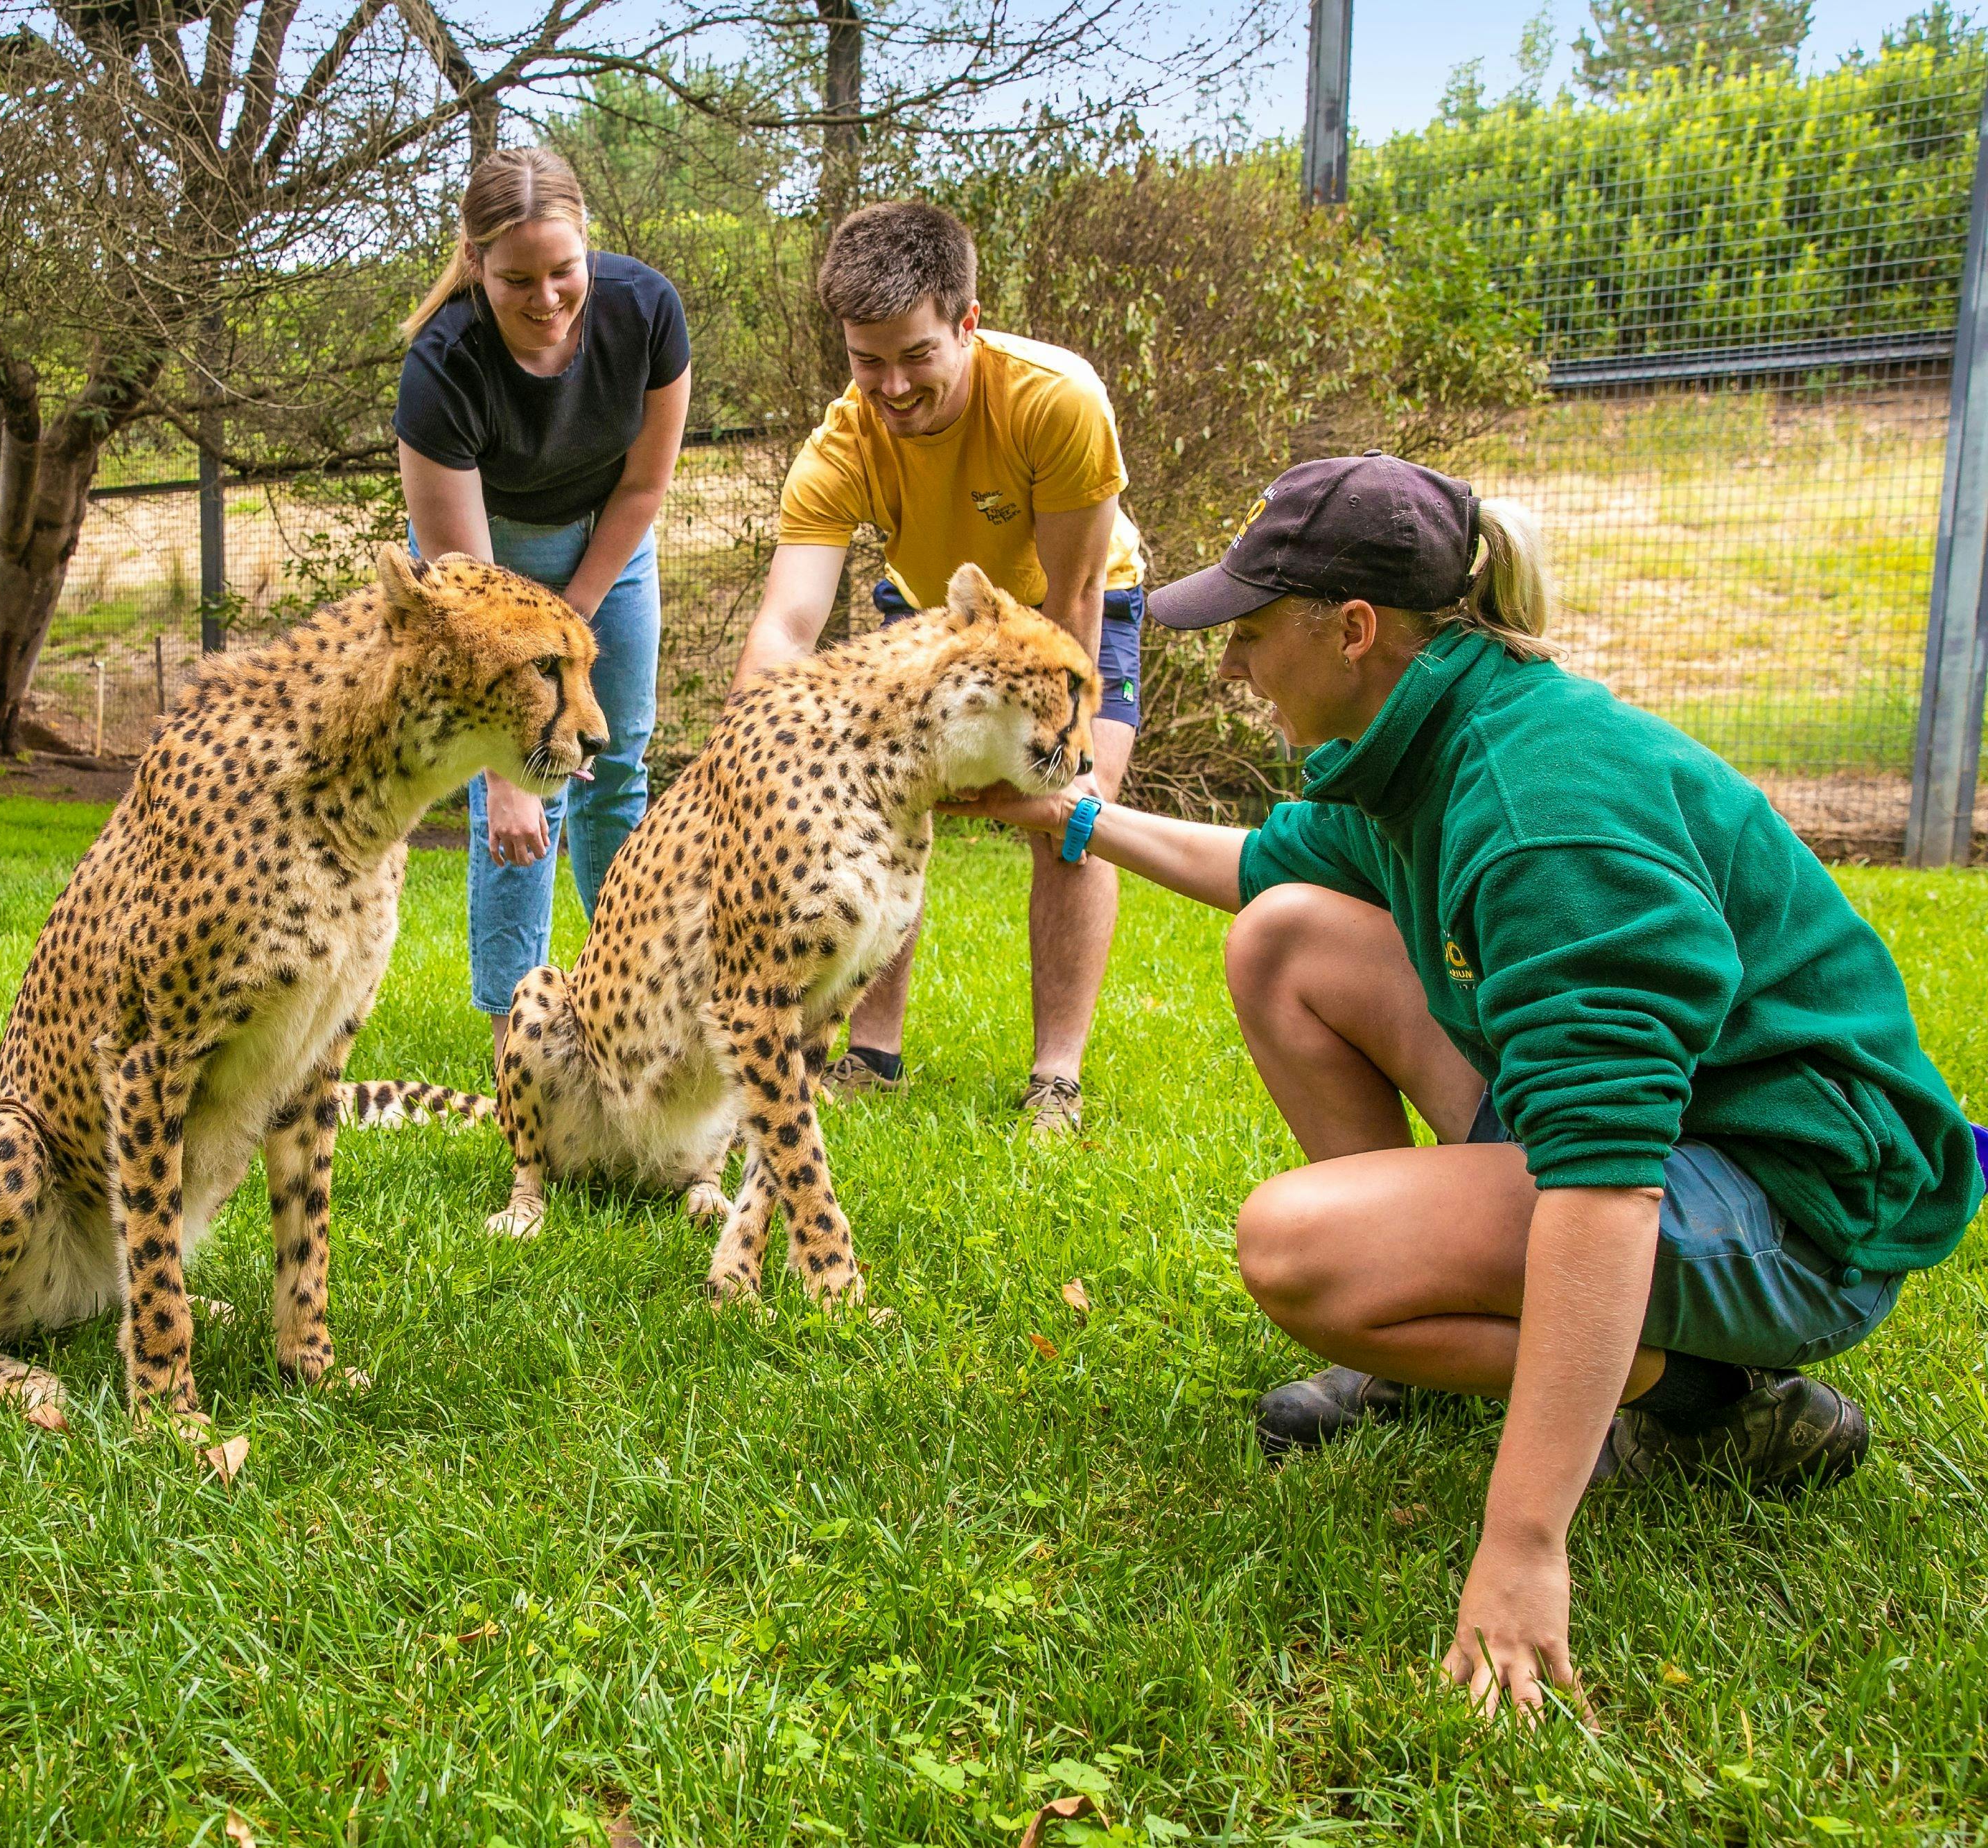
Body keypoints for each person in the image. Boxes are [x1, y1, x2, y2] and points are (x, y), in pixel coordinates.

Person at [1062, 451, 1982, 1720]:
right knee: (1284, 937)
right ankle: (1452, 1346)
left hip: (1799, 1209)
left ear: (1354, 629)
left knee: (1299, 1251)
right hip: (1682, 1140)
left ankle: (1708, 1397)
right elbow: (1265, 864)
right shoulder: (1425, 736)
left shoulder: (1541, 814)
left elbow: (1604, 1188)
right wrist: (1064, 816)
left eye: (1252, 633)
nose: (1230, 669)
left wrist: (1522, 1546)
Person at [729, 201, 1145, 1134]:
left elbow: (1070, 609)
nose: (893, 387)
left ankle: (1056, 1078)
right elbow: (788, 627)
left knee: (1076, 815)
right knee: (883, 797)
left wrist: (1057, 759)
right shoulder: (841, 446)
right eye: (866, 361)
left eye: (916, 355)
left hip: (1072, 611)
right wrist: (750, 758)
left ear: (967, 322)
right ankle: (873, 1054)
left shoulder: (1054, 401)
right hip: (932, 615)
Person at [394, 147, 690, 1059]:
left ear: (588, 251)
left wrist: (578, 614)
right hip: (485, 567)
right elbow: (477, 604)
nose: (546, 298)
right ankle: (515, 1042)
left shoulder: (646, 310)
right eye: (516, 278)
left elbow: (645, 486)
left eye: (564, 272)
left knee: (617, 766)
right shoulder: (443, 366)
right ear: (476, 263)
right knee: (523, 797)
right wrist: (503, 764)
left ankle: (634, 1006)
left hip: (609, 539)